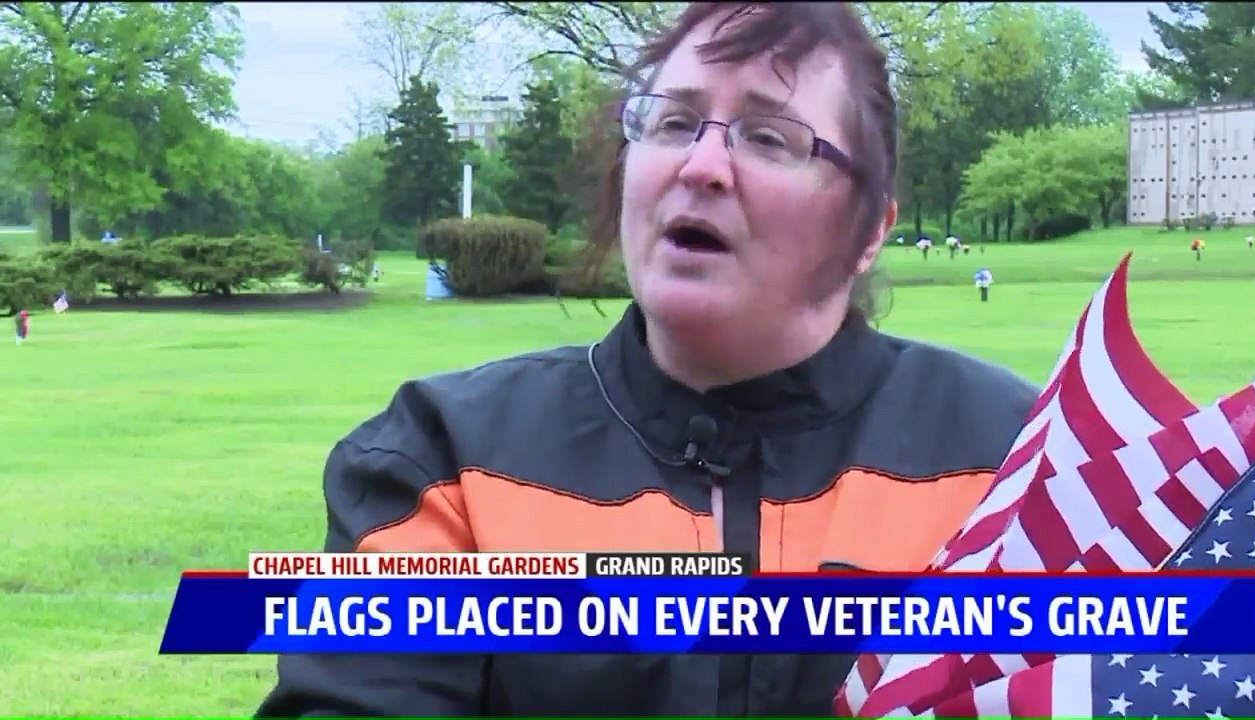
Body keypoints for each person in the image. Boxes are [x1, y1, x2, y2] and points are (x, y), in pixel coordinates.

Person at [256, 2, 1038, 717]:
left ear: (871, 230)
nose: (699, 165)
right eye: (671, 123)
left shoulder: (1019, 463)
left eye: (769, 138)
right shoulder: (446, 461)